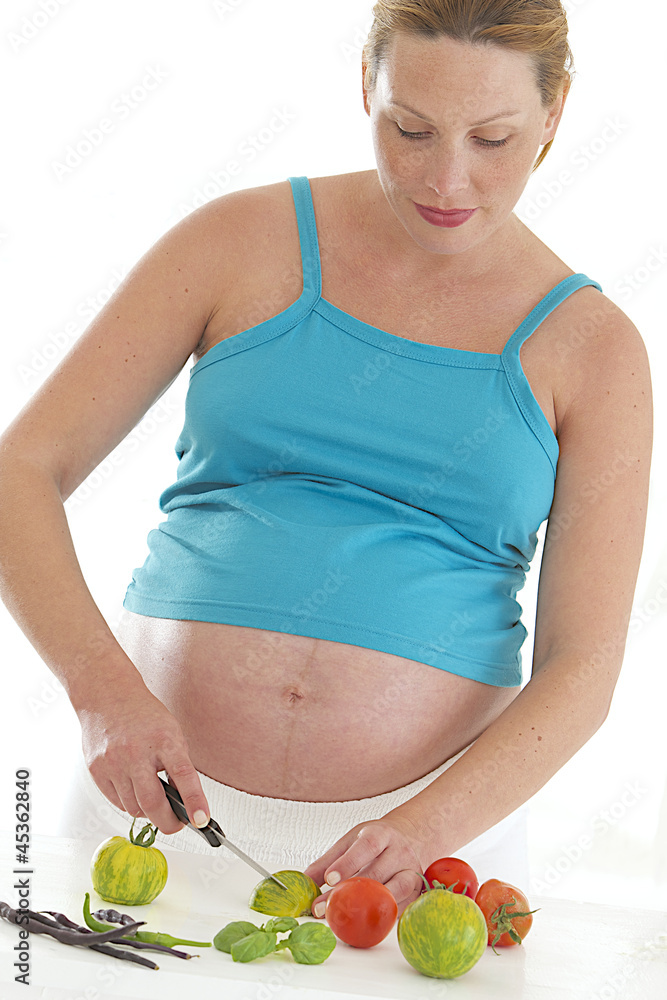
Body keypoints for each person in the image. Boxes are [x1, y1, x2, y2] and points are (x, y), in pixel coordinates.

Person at [0, 0, 652, 921]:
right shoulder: (235, 242)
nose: (446, 178)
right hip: (150, 814)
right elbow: (20, 470)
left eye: (492, 139)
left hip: (420, 863)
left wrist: (423, 831)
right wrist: (101, 694)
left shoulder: (595, 349)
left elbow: (582, 667)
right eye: (411, 129)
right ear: (365, 85)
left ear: (555, 112)